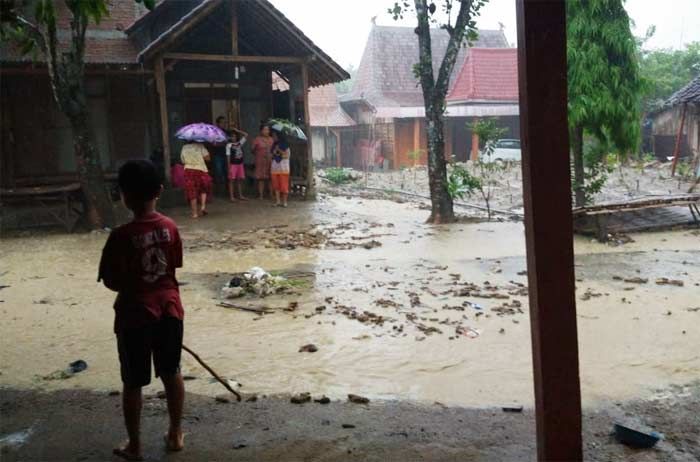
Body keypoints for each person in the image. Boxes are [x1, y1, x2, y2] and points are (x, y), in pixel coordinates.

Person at [98, 160, 185, 461]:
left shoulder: (120, 236)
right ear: (160, 191)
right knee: (171, 372)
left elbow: (111, 281)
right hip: (170, 310)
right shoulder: (171, 227)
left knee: (133, 382)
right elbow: (172, 267)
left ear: (123, 195)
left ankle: (135, 444)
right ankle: (175, 433)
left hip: (135, 314)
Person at [180, 141, 211, 218]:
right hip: (200, 169)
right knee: (203, 188)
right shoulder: (200, 146)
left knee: (192, 191)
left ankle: (194, 213)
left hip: (188, 170)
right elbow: (208, 158)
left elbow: (183, 161)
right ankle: (203, 207)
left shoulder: (184, 147)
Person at [226, 127, 249, 202]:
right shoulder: (229, 145)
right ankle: (231, 197)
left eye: (235, 136)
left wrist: (237, 130)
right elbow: (228, 156)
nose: (233, 138)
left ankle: (240, 195)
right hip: (233, 164)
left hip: (240, 164)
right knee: (231, 180)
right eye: (232, 136)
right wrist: (229, 167)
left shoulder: (239, 143)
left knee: (239, 180)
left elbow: (246, 134)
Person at [251, 123, 273, 200]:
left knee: (270, 178)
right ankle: (261, 195)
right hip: (260, 161)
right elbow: (252, 150)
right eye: (265, 129)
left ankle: (271, 194)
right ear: (261, 131)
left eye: (268, 130)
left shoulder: (271, 139)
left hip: (270, 161)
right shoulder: (257, 139)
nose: (266, 131)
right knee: (261, 179)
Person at [270, 130, 291, 207]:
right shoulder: (273, 145)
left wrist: (279, 150)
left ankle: (284, 201)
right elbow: (272, 155)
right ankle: (278, 201)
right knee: (276, 185)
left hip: (283, 168)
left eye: (274, 136)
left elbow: (287, 156)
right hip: (275, 168)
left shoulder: (286, 146)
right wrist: (274, 152)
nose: (273, 137)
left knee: (284, 186)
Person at [211, 116, 230, 186]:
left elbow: (229, 143)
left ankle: (227, 188)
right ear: (218, 123)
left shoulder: (226, 132)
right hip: (217, 154)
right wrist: (223, 142)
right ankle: (218, 187)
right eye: (222, 122)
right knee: (219, 171)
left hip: (226, 154)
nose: (224, 124)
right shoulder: (214, 132)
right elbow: (214, 143)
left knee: (227, 171)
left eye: (225, 122)